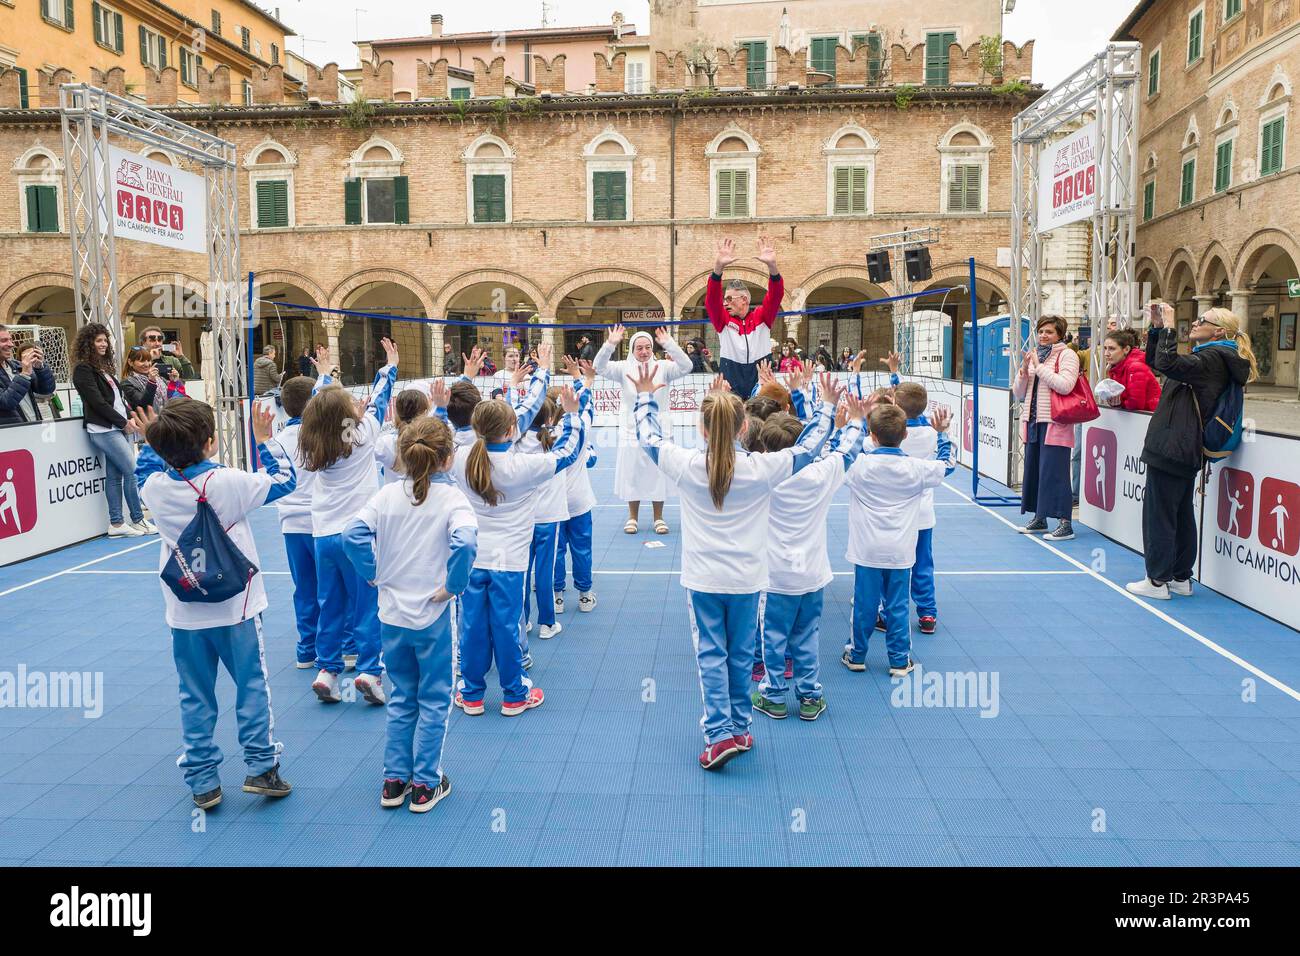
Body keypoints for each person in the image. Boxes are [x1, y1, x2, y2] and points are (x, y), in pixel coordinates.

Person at [631, 370, 836, 770]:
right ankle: (740, 727)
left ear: (702, 430)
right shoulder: (761, 469)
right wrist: (825, 405)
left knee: (712, 654)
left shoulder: (689, 465)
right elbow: (810, 448)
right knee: (741, 655)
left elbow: (649, 439)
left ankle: (719, 734)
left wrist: (644, 397)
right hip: (748, 580)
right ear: (745, 427)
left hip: (705, 580)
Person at [131, 398, 295, 810]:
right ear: (210, 442)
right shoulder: (229, 482)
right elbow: (286, 479)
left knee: (194, 692)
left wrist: (150, 442)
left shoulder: (155, 489)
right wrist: (264, 439)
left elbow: (144, 470)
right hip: (236, 607)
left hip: (184, 611)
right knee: (252, 686)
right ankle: (260, 767)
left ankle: (204, 780)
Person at [342, 415, 478, 813]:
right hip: (433, 615)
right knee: (435, 699)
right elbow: (466, 542)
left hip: (392, 615)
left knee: (401, 697)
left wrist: (372, 572)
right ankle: (425, 784)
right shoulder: (453, 499)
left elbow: (352, 535)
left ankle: (393, 780)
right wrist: (453, 585)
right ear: (447, 459)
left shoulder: (385, 496)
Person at [449, 358, 585, 718]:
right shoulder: (523, 466)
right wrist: (571, 413)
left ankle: (472, 694)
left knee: (473, 625)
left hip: (471, 559)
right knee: (507, 626)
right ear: (511, 431)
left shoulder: (460, 457)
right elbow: (569, 450)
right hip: (508, 561)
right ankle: (513, 694)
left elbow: (515, 417)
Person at [1126, 304, 1256, 599]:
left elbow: (1169, 364)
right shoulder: (1216, 357)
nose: (1195, 323)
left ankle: (1157, 580)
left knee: (1159, 514)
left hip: (1174, 445)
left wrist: (1171, 327)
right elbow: (1158, 363)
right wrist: (1158, 328)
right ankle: (1181, 578)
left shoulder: (1212, 358)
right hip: (1183, 446)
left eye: (1202, 320)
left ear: (1219, 330)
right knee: (1181, 513)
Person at [752, 393, 867, 722]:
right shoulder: (820, 476)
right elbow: (847, 451)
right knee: (807, 635)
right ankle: (809, 696)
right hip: (813, 575)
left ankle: (774, 695)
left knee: (772, 637)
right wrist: (854, 420)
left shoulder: (760, 478)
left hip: (774, 577)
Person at [299, 337, 398, 706]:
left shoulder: (312, 441)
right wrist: (390, 364)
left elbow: (318, 406)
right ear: (347, 412)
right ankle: (370, 673)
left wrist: (323, 375)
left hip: (323, 534)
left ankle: (327, 670)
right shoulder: (362, 434)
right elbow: (383, 395)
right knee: (367, 604)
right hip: (357, 534)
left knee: (330, 604)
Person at [842, 401, 954, 677]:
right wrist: (942, 433)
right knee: (898, 606)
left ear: (873, 435)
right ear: (905, 435)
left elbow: (837, 455)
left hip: (866, 551)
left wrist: (851, 424)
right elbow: (947, 464)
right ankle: (899, 660)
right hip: (901, 552)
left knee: (865, 605)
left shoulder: (859, 466)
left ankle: (857, 655)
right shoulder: (917, 468)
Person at [593, 323, 692, 535]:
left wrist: (670, 345)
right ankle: (633, 517)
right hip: (631, 430)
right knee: (632, 473)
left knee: (659, 471)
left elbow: (687, 366)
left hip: (660, 430)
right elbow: (599, 367)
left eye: (648, 347)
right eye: (639, 348)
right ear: (632, 349)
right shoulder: (622, 368)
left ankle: (659, 518)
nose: (644, 351)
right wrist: (609, 344)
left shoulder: (664, 368)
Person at [72, 323, 153, 537]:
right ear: (88, 343)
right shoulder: (82, 369)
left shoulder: (103, 369)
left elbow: (118, 401)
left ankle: (116, 523)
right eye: (99, 340)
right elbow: (98, 403)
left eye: (105, 340)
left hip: (117, 427)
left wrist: (129, 418)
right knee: (132, 471)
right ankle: (138, 519)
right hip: (103, 429)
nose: (103, 344)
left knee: (115, 476)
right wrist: (123, 422)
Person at [264, 376, 321, 670]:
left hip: (292, 524)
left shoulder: (277, 440)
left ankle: (306, 649)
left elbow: (273, 476)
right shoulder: (324, 435)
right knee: (334, 589)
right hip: (323, 523)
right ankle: (338, 650)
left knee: (304, 588)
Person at [892, 380, 956, 634]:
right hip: (922, 515)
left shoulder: (891, 435)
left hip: (895, 516)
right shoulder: (931, 433)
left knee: (894, 567)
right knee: (923, 565)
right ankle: (927, 613)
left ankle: (888, 613)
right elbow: (946, 464)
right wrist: (943, 432)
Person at [1013, 315, 1080, 541]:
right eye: (1041, 331)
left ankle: (1065, 523)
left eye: (1049, 332)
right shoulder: (1033, 356)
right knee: (1035, 472)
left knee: (1056, 474)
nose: (1043, 336)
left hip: (1055, 424)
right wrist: (1024, 371)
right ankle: (1040, 517)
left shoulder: (1067, 355)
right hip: (1033, 422)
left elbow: (1065, 385)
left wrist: (1039, 368)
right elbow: (1019, 393)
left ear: (1059, 334)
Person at [705, 236, 784, 398]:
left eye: (729, 299)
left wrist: (772, 267)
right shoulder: (723, 320)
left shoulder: (762, 316)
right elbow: (711, 301)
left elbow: (776, 295)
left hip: (760, 382)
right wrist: (717, 269)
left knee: (762, 422)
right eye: (724, 299)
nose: (725, 303)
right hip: (731, 384)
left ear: (744, 300)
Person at [519, 395, 569, 641]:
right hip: (549, 517)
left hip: (524, 517)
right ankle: (548, 622)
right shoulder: (557, 442)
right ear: (550, 419)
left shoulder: (515, 443)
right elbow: (577, 431)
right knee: (544, 572)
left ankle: (524, 620)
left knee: (523, 571)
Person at [553, 357, 598, 614]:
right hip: (579, 501)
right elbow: (587, 405)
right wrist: (583, 379)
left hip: (552, 504)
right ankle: (584, 595)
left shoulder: (544, 433)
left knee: (556, 552)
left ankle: (557, 596)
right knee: (582, 549)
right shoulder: (580, 427)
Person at [0, 324, 56, 425]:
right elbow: (5, 402)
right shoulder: (23, 369)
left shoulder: (16, 365)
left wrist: (40, 368)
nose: (11, 344)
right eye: (4, 340)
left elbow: (46, 390)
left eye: (10, 339)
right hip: (8, 434)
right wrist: (24, 374)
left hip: (32, 427)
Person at [1102, 329, 1161, 412]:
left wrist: (1119, 403)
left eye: (1112, 349)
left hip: (1148, 417)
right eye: (1105, 348)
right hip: (1139, 418)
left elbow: (1136, 404)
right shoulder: (1117, 367)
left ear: (1126, 349)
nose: (1106, 353)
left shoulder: (1135, 367)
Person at [119, 345, 168, 442]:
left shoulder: (160, 379)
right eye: (142, 361)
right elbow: (143, 404)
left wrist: (175, 382)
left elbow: (173, 399)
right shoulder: (126, 383)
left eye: (149, 360)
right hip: (145, 432)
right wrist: (151, 382)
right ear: (130, 362)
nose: (147, 364)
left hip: (165, 426)